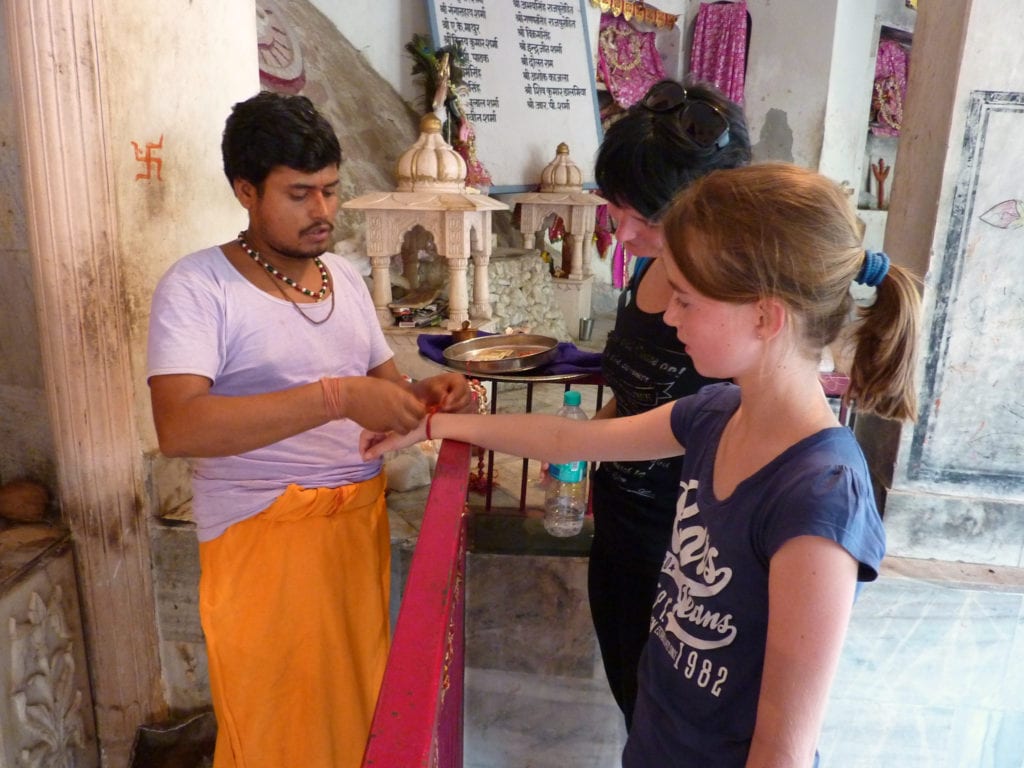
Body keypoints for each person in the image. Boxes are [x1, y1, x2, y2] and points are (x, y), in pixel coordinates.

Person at [362, 163, 921, 767]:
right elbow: (566, 440)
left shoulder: (818, 495)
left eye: (685, 298)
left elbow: (782, 749)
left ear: (765, 316)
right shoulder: (716, 414)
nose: (669, 315)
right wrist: (434, 425)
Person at [146, 91, 469, 768]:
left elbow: (382, 390)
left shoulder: (345, 279)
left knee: (358, 717)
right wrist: (331, 399)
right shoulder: (198, 287)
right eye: (299, 194)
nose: (322, 211)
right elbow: (179, 426)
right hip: (262, 536)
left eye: (329, 190)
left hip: (356, 527)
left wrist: (425, 396)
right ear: (245, 191)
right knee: (278, 732)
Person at [590, 77, 751, 728]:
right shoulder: (651, 267)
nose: (624, 233)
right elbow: (635, 396)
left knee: (677, 733)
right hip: (622, 536)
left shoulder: (734, 306)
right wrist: (584, 450)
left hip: (690, 562)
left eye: (646, 216)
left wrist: (566, 442)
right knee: (637, 715)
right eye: (615, 209)